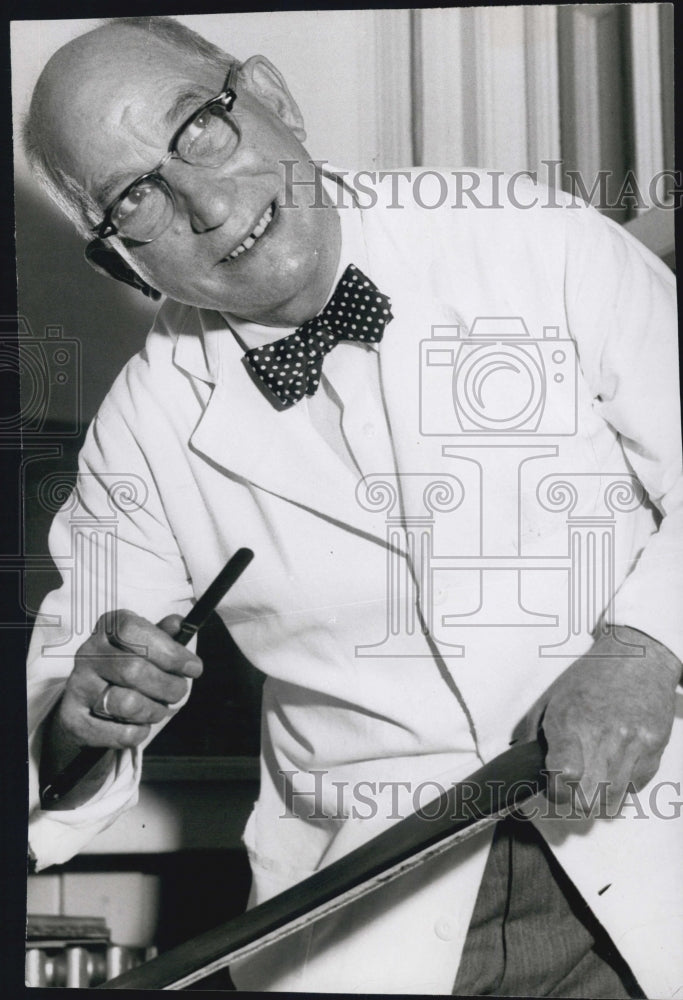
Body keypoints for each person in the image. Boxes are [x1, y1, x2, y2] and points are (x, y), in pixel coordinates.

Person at [23, 15, 682, 997]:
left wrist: (645, 644)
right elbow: (61, 717)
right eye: (137, 197)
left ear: (273, 98)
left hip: (645, 869)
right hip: (367, 921)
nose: (206, 204)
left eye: (200, 128)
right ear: (121, 261)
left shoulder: (531, 235)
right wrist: (85, 710)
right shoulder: (143, 425)